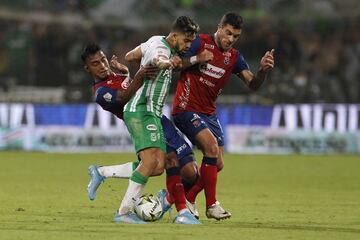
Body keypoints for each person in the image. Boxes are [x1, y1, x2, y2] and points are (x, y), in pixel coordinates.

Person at [82, 16, 200, 224]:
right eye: (95, 64)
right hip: (141, 115)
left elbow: (131, 57)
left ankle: (102, 172)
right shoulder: (101, 92)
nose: (102, 65)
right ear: (88, 69)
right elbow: (124, 97)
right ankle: (128, 213)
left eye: (102, 59)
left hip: (153, 113)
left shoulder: (118, 73)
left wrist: (128, 71)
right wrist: (142, 73)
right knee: (154, 164)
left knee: (161, 165)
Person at [171, 12, 275, 220]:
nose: (230, 39)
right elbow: (176, 64)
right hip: (185, 108)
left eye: (235, 36)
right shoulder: (199, 42)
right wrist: (197, 58)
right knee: (210, 148)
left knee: (217, 163)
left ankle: (189, 198)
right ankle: (212, 205)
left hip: (209, 113)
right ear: (219, 27)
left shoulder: (235, 57)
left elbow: (252, 84)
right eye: (228, 33)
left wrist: (262, 71)